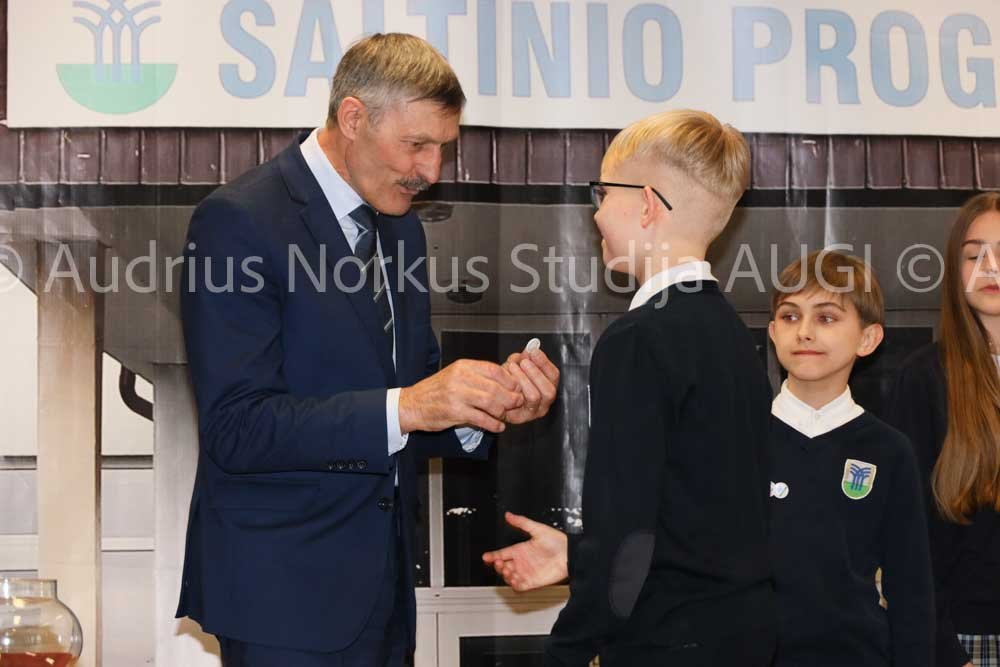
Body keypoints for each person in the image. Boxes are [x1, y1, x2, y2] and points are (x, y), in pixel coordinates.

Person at [176, 33, 559, 667]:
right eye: (417, 145)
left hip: (384, 597)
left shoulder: (401, 231)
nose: (432, 172)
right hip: (281, 599)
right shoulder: (238, 220)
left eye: (443, 148)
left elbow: (411, 394)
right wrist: (411, 405)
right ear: (353, 118)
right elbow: (236, 428)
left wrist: (483, 407)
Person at [488, 109, 777, 666]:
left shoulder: (639, 340)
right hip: (741, 637)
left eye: (602, 193)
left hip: (668, 643)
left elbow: (629, 536)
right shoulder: (732, 336)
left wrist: (567, 651)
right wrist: (579, 556)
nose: (595, 213)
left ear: (646, 204)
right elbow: (695, 524)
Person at [767, 250, 933, 666]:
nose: (804, 332)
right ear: (772, 332)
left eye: (826, 318)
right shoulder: (738, 440)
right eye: (790, 316)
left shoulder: (889, 451)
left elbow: (911, 588)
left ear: (868, 339)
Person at [888, 192, 1000, 667]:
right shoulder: (923, 378)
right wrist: (946, 650)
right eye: (974, 256)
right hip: (966, 638)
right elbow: (907, 534)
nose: (991, 267)